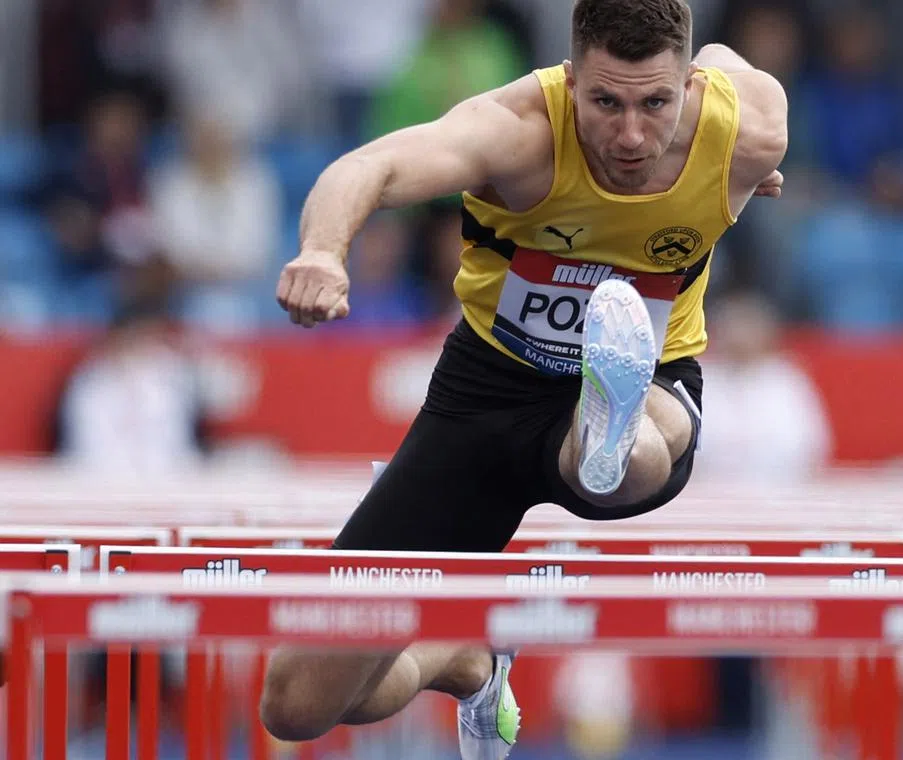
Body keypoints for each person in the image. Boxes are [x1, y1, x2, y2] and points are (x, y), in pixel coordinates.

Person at [263, 0, 788, 757]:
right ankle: (463, 660)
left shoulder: (747, 127)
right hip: (485, 396)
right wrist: (322, 250)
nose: (632, 134)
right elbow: (367, 166)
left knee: (620, 462)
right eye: (606, 102)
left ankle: (607, 418)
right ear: (570, 82)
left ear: (688, 82)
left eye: (655, 103)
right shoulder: (517, 130)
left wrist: (726, 148)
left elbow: (737, 68)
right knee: (297, 705)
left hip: (648, 383)